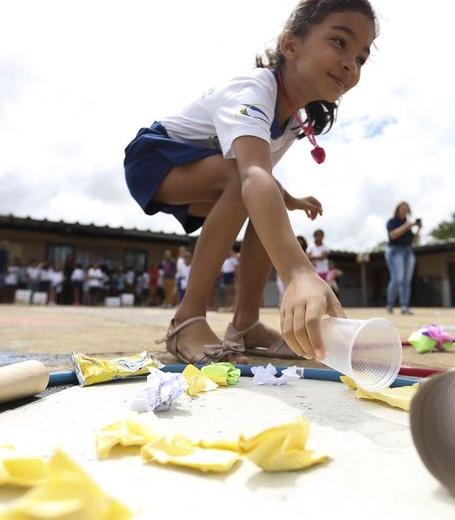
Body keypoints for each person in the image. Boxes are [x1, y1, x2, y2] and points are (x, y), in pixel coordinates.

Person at [123, 0, 374, 362]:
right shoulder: (253, 89)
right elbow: (251, 174)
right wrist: (299, 272)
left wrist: (289, 198)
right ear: (291, 45)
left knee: (263, 205)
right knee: (247, 186)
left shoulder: (291, 122)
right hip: (154, 159)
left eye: (362, 58)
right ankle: (186, 320)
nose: (351, 63)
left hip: (213, 170)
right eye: (339, 42)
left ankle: (246, 323)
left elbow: (260, 176)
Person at [384, 201, 419, 315]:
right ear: (398, 210)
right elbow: (393, 235)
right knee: (397, 279)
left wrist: (418, 229)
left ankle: (405, 306)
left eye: (406, 209)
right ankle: (390, 304)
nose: (404, 211)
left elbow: (413, 240)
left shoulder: (408, 225)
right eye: (402, 209)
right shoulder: (392, 222)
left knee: (406, 281)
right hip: (395, 251)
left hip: (408, 251)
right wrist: (406, 226)